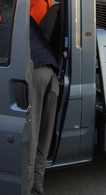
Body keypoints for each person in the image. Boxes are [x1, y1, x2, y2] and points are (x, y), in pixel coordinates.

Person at [27, 17, 60, 195]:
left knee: (30, 139)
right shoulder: (24, 13)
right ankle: (36, 190)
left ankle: (26, 190)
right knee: (42, 137)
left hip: (35, 72)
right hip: (51, 72)